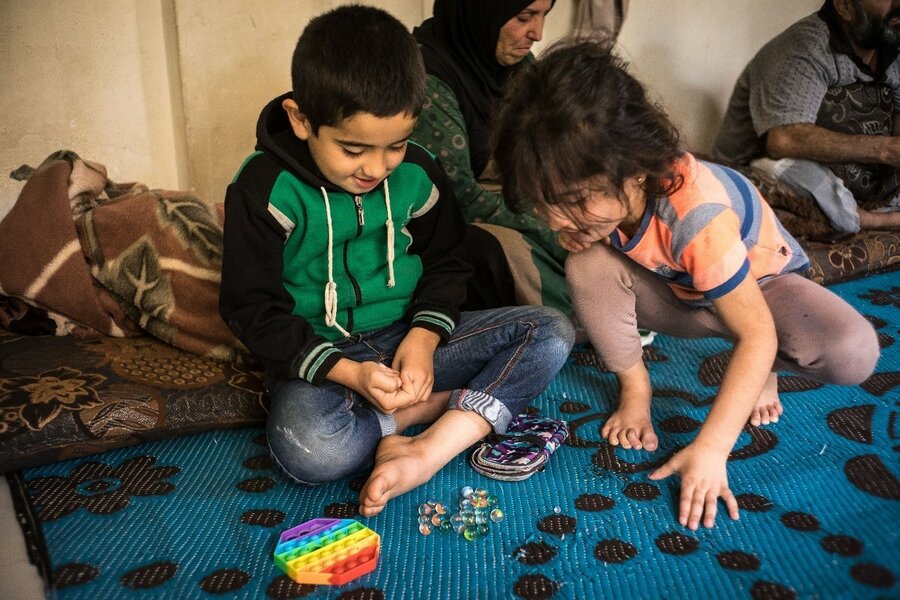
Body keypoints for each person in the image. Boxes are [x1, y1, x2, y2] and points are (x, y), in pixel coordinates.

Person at [493, 39, 880, 530]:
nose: (555, 222)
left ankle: (763, 372)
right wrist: (583, 223)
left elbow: (758, 331)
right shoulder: (591, 204)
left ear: (634, 170)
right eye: (543, 204)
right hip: (684, 296)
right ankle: (637, 387)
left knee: (853, 351)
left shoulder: (696, 215)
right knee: (587, 264)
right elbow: (597, 255)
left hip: (763, 293)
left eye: (572, 202)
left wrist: (712, 448)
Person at [218, 5, 574, 518]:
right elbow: (251, 309)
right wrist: (351, 374)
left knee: (550, 333)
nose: (376, 168)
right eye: (353, 148)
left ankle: (427, 447)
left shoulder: (420, 173)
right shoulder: (262, 190)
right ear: (301, 120)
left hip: (411, 339)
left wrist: (425, 337)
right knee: (310, 452)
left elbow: (450, 261)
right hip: (324, 355)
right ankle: (430, 409)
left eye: (396, 146)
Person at [410, 0, 572, 313]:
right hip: (459, 217)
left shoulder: (520, 68)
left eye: (543, 16)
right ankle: (580, 318)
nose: (537, 33)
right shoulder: (428, 77)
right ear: (481, 13)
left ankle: (605, 312)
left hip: (519, 201)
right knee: (500, 252)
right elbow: (458, 197)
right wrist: (547, 229)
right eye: (524, 16)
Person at [714, 0, 900, 234]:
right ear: (845, 6)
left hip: (856, 184)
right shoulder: (803, 47)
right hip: (765, 168)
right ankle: (876, 220)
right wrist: (886, 150)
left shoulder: (891, 47)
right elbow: (784, 139)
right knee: (792, 170)